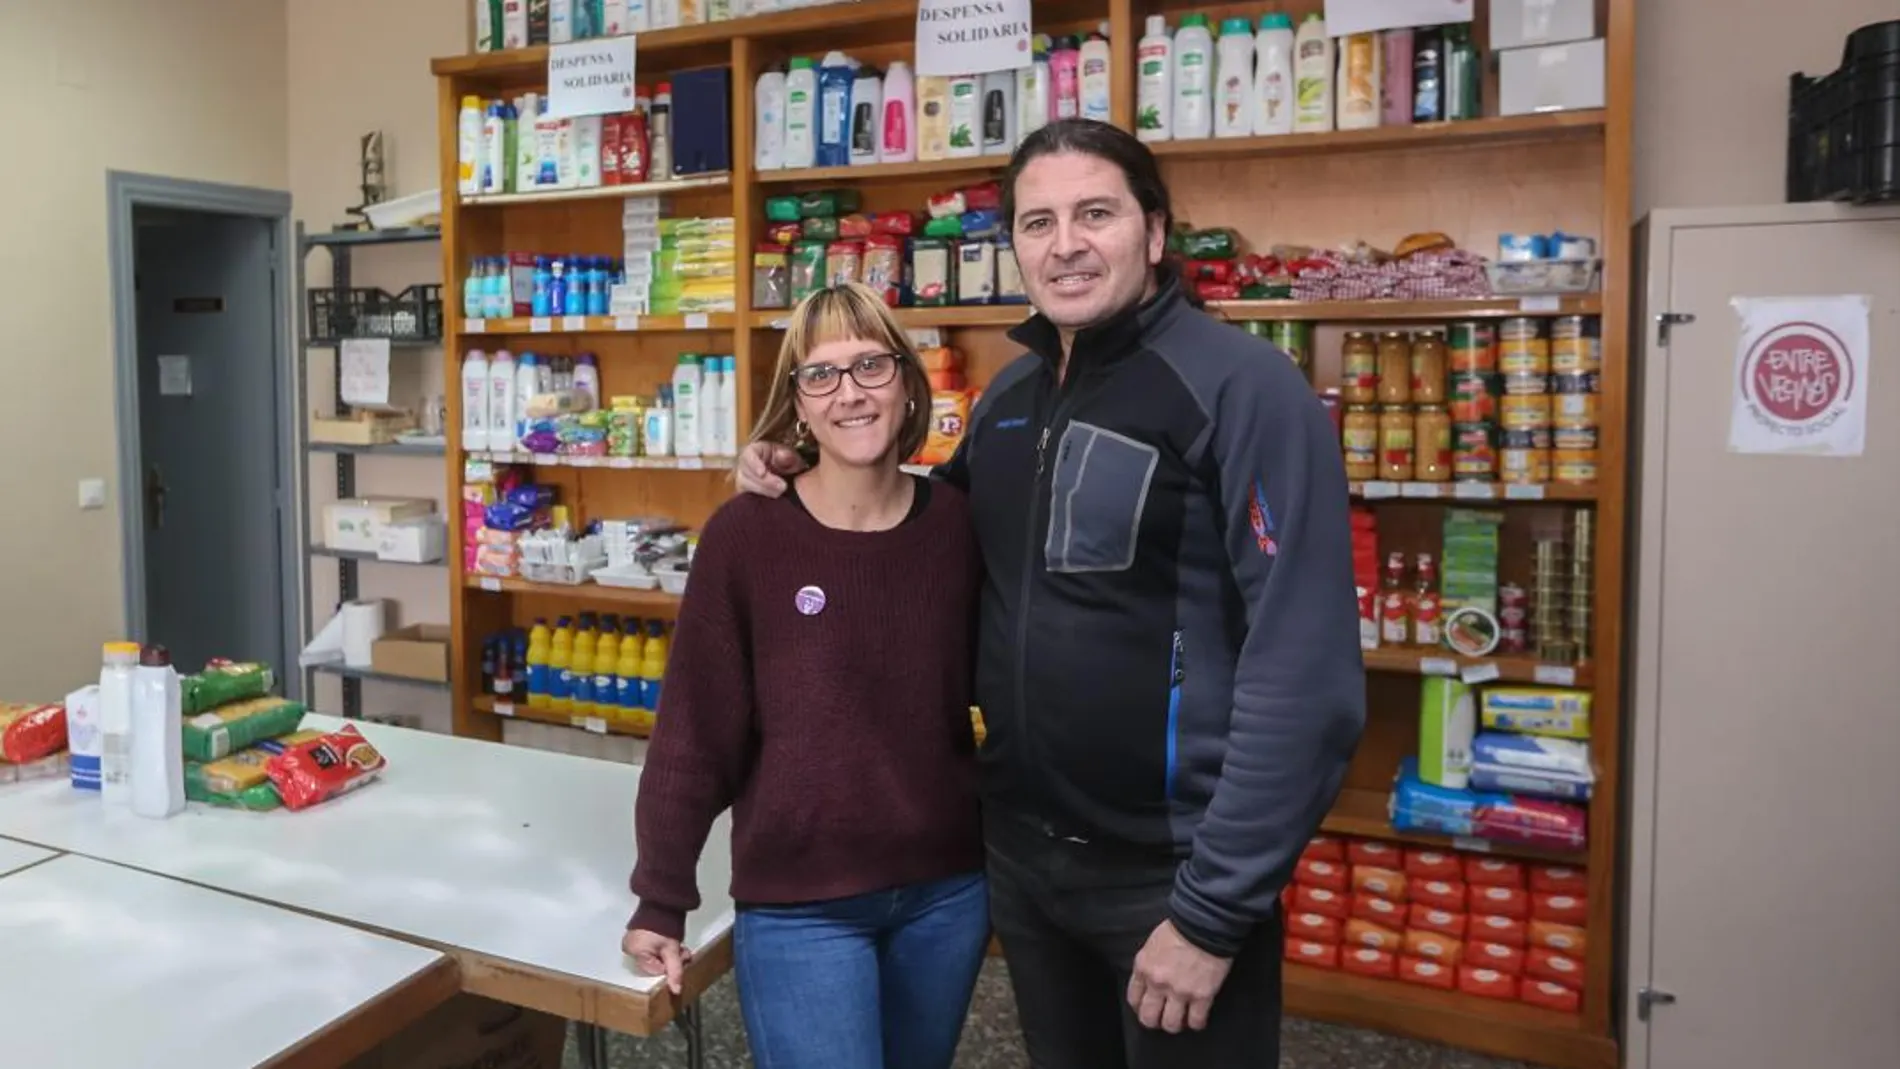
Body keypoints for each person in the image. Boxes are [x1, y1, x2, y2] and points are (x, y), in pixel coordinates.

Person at [736, 118, 1366, 1068]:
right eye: (1037, 222)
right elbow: (919, 530)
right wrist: (799, 470)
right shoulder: (1012, 397)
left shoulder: (1244, 391)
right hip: (1027, 866)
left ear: (1155, 232)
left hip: (1169, 878)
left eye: (1095, 213)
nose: (1065, 243)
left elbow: (1307, 677)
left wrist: (1211, 910)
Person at [623, 282, 990, 1069]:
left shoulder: (958, 526)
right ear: (797, 403)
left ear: (908, 381)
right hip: (801, 907)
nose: (849, 392)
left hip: (947, 892)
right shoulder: (747, 536)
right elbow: (695, 727)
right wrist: (662, 894)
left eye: (870, 366)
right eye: (821, 375)